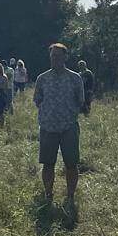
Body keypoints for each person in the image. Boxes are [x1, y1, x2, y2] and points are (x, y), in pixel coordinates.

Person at [34, 43, 86, 212]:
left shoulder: (75, 78)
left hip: (68, 127)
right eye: (52, 56)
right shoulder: (42, 78)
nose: (54, 59)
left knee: (71, 164)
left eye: (57, 56)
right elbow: (37, 100)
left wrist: (67, 112)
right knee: (48, 164)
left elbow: (80, 100)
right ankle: (48, 195)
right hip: (48, 127)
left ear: (65, 57)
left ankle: (70, 197)